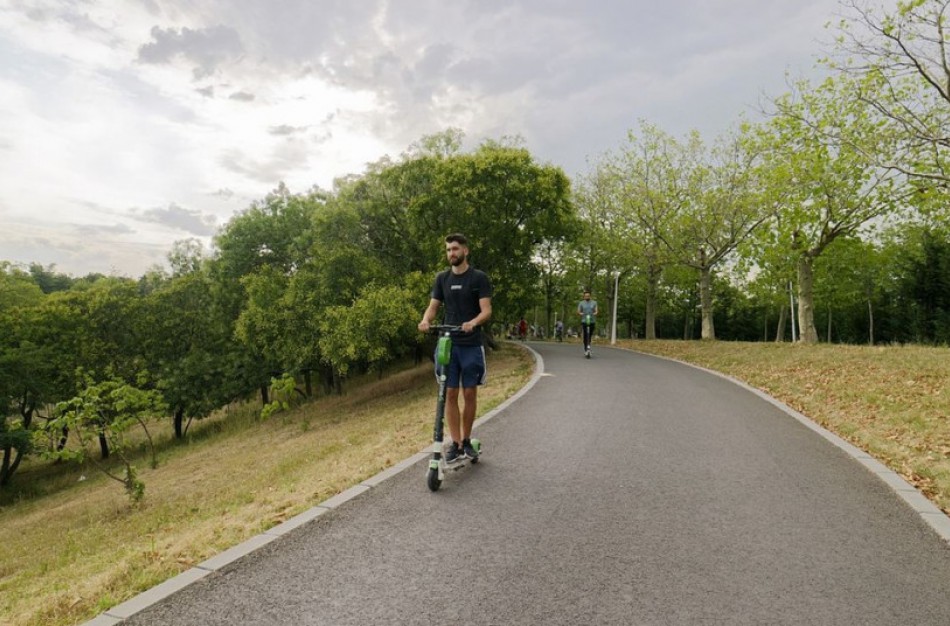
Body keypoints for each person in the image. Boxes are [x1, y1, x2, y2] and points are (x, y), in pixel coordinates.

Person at [418, 233, 493, 463]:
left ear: (465, 251)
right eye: (449, 250)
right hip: (448, 343)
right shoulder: (442, 279)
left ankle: (467, 440)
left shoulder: (478, 278)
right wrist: (425, 320)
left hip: (470, 344)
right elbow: (433, 307)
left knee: (469, 393)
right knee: (449, 393)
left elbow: (486, 310)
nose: (452, 253)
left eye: (455, 249)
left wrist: (473, 322)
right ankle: (455, 443)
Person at [577, 290, 598, 357]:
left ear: (590, 296)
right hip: (584, 321)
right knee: (586, 335)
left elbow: (596, 311)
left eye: (588, 296)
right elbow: (578, 311)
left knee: (590, 335)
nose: (587, 297)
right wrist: (581, 313)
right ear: (584, 297)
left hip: (592, 321)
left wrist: (595, 313)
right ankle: (586, 349)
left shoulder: (594, 302)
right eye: (586, 296)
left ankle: (588, 346)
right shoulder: (581, 303)